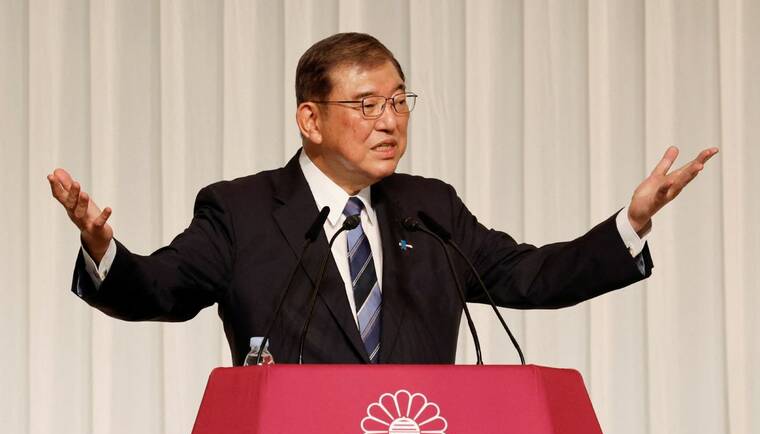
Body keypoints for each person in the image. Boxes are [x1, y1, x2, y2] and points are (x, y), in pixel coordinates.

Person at [47, 33, 717, 365]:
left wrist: (631, 222)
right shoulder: (241, 211)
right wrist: (103, 248)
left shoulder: (430, 209)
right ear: (311, 119)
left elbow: (530, 276)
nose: (390, 121)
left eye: (399, 101)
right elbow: (161, 289)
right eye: (366, 105)